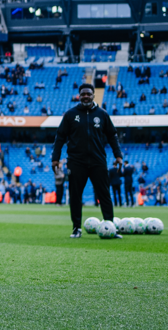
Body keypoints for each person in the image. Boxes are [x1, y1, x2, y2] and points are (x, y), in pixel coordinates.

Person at [52, 83, 124, 239]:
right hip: (76, 162)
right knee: (75, 195)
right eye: (83, 94)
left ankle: (110, 226)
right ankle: (76, 228)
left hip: (98, 161)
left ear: (93, 95)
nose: (86, 96)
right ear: (79, 95)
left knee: (104, 194)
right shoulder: (70, 115)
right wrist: (55, 158)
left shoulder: (102, 114)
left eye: (88, 94)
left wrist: (118, 155)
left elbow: (112, 135)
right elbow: (60, 137)